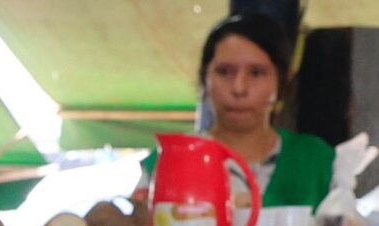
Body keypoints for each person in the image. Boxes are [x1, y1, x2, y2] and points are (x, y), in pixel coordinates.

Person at [138, 12, 334, 212]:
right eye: (224, 72)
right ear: (205, 80)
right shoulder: (167, 164)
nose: (239, 88)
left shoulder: (319, 162)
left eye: (256, 73)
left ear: (281, 83)